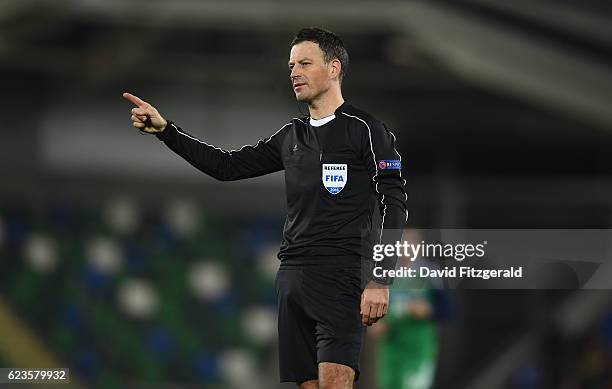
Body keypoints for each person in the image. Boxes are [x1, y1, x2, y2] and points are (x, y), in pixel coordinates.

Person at [123, 27, 407, 389]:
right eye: (291, 65)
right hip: (292, 278)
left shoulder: (366, 130)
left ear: (334, 68)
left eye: (305, 63)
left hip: (342, 275)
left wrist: (381, 279)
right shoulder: (291, 135)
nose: (294, 72)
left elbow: (393, 201)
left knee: (336, 383)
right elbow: (225, 167)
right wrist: (167, 131)